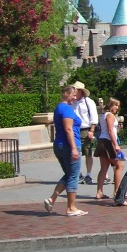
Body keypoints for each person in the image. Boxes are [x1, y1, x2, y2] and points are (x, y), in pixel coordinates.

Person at [43, 85, 87, 217]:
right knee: (74, 176)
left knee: (69, 174)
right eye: (73, 95)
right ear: (65, 94)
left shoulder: (58, 108)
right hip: (69, 145)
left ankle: (52, 199)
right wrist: (74, 148)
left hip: (59, 145)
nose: (75, 97)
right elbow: (69, 130)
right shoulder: (66, 109)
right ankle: (71, 207)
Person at [93, 97, 124, 199]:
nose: (117, 108)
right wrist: (116, 145)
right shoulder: (110, 115)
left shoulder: (103, 115)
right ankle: (117, 191)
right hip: (108, 142)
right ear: (110, 105)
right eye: (115, 105)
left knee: (104, 168)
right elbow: (110, 131)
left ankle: (99, 192)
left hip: (102, 141)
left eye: (118, 106)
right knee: (119, 166)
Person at [71, 81, 98, 185]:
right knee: (75, 152)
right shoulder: (72, 102)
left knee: (87, 152)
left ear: (80, 92)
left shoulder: (88, 102)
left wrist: (92, 130)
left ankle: (89, 174)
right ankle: (78, 173)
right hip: (74, 129)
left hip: (85, 129)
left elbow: (94, 117)